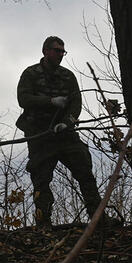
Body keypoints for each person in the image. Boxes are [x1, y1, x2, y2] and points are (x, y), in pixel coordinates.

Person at [16, 36, 106, 226]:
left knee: (85, 172)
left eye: (62, 51)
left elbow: (76, 103)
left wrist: (67, 122)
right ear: (46, 51)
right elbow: (23, 99)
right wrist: (49, 102)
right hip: (40, 135)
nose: (60, 55)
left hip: (64, 134)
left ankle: (98, 219)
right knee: (41, 180)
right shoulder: (31, 74)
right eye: (57, 50)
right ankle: (44, 223)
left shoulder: (67, 76)